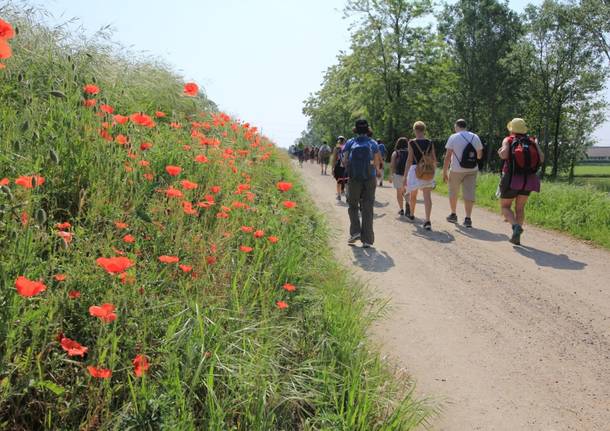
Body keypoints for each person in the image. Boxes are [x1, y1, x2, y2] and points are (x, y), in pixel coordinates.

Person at [498, 118, 544, 245]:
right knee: (520, 208)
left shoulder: (508, 139)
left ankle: (515, 227)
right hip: (528, 179)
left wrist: (500, 152)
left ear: (511, 128)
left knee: (505, 207)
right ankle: (516, 236)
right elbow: (542, 158)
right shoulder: (532, 141)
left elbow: (504, 155)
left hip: (512, 178)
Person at [343, 119, 382, 248]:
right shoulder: (373, 143)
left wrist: (349, 168)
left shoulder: (350, 142)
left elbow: (344, 160)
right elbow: (376, 162)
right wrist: (376, 171)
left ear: (356, 129)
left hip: (354, 178)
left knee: (353, 205)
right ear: (367, 130)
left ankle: (355, 232)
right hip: (369, 179)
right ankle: (367, 240)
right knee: (368, 208)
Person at [442, 119, 483, 228]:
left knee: (453, 192)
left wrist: (444, 171)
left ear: (456, 126)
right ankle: (468, 218)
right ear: (465, 126)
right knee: (469, 193)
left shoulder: (453, 137)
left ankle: (453, 214)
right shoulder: (475, 137)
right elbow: (479, 156)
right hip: (472, 169)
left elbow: (447, 157)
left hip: (456, 169)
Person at [403, 121, 437, 230]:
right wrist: (433, 173)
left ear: (415, 130)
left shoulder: (412, 142)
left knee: (413, 194)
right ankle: (427, 220)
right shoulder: (430, 142)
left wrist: (405, 176)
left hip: (415, 170)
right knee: (427, 196)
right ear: (424, 130)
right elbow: (434, 159)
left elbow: (409, 159)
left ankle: (412, 214)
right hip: (427, 170)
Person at [390, 137, 410, 216]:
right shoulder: (410, 152)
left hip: (398, 174)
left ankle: (401, 209)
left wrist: (391, 175)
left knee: (399, 192)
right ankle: (408, 204)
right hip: (408, 175)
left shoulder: (396, 153)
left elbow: (392, 165)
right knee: (407, 192)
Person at [332, 136, 348, 200]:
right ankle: (347, 195)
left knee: (339, 181)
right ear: (344, 140)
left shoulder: (336, 148)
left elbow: (334, 159)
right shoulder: (347, 147)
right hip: (346, 166)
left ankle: (339, 196)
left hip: (339, 166)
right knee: (347, 181)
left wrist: (332, 168)